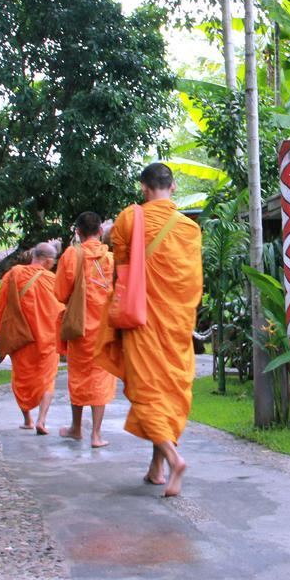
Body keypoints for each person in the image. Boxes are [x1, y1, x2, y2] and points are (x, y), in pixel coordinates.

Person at [100, 162, 202, 497]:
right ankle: (156, 468)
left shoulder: (129, 219)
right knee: (169, 393)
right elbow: (192, 284)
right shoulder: (190, 229)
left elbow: (122, 267)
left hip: (142, 318)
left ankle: (173, 459)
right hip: (177, 323)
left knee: (147, 391)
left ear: (144, 187)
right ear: (172, 188)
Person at [54, 211, 116, 447]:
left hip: (80, 327)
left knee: (79, 376)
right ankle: (96, 435)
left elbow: (60, 293)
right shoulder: (110, 259)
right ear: (100, 231)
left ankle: (76, 427)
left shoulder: (71, 254)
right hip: (105, 327)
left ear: (78, 232)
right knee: (101, 376)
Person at [0, 242, 64, 434]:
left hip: (21, 338)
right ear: (49, 260)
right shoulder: (52, 280)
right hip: (47, 340)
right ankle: (42, 420)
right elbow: (60, 310)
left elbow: (0, 304)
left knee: (21, 377)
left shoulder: (13, 274)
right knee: (47, 380)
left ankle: (27, 420)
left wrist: (1, 328)